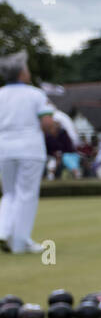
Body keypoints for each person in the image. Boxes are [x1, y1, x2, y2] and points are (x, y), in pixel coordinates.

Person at [0, 51, 56, 253]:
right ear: (22, 73)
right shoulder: (35, 94)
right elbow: (47, 122)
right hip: (30, 148)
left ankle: (3, 230)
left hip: (4, 148)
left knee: (9, 194)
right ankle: (19, 242)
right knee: (26, 195)